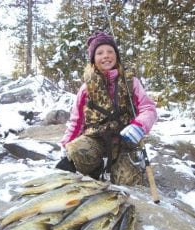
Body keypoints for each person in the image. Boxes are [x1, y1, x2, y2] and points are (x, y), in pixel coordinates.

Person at [56, 31, 157, 186]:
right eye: (100, 53)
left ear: (116, 55)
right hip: (96, 139)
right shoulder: (85, 89)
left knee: (128, 182)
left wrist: (139, 126)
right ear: (93, 59)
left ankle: (127, 165)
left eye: (110, 51)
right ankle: (95, 169)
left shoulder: (131, 82)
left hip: (125, 142)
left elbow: (148, 109)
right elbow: (76, 121)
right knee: (75, 150)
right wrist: (66, 145)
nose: (106, 56)